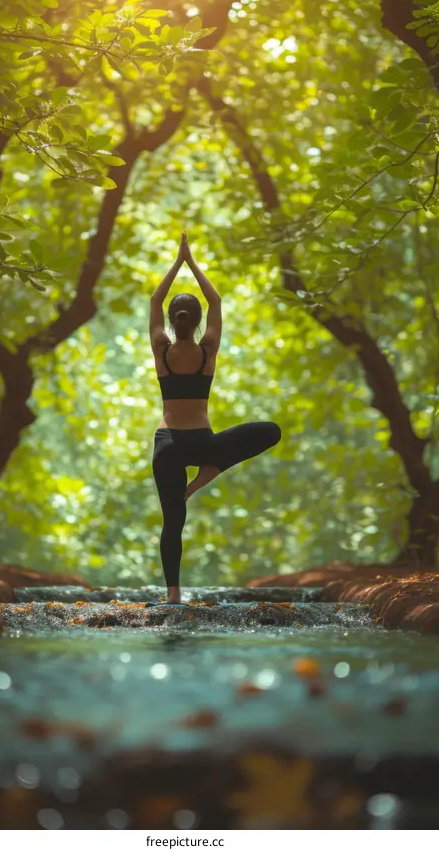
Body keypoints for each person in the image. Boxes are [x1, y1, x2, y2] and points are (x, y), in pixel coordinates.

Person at [149, 231, 281, 604]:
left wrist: (178, 261)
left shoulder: (161, 348)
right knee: (269, 431)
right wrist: (193, 262)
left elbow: (156, 299)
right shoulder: (208, 351)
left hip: (168, 445)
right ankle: (209, 472)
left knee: (173, 521)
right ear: (198, 321)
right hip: (204, 443)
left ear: (174, 323)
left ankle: (173, 594)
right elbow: (217, 299)